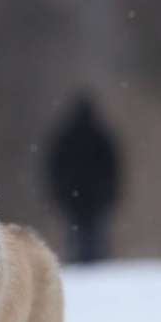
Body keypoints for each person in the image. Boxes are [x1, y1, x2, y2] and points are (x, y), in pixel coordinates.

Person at [47, 96, 121, 263]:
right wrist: (109, 192)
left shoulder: (66, 137)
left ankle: (79, 259)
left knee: (76, 230)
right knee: (94, 231)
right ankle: (96, 260)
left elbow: (55, 167)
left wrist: (60, 191)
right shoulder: (101, 136)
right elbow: (112, 167)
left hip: (74, 194)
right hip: (94, 195)